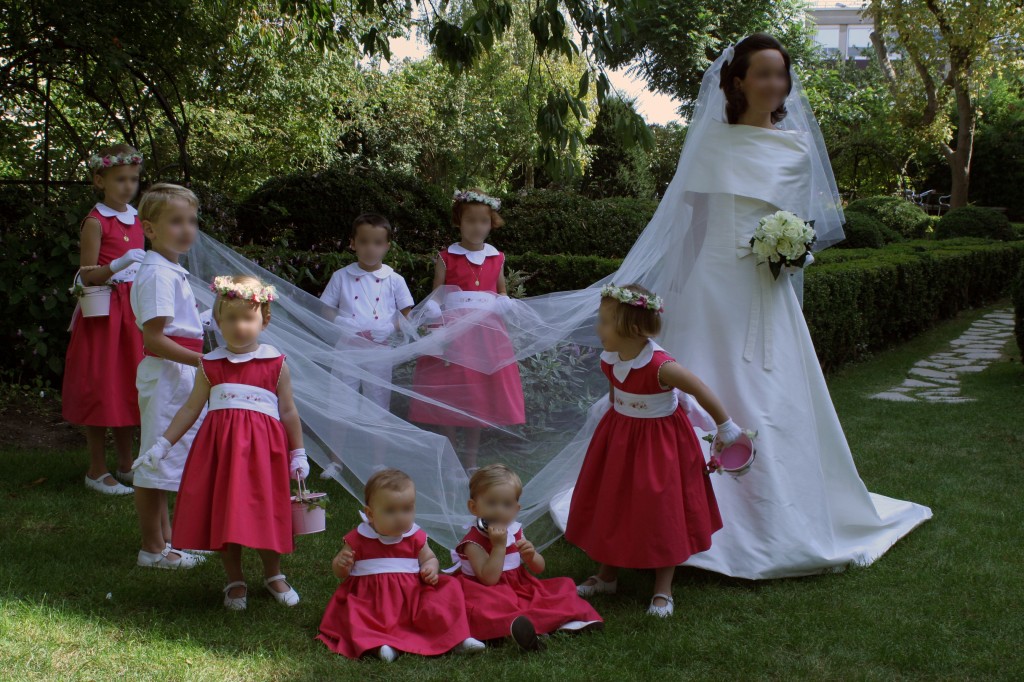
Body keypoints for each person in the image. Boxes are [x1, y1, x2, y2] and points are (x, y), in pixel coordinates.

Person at [566, 284, 740, 616]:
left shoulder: (662, 366)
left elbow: (700, 388)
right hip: (619, 437)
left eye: (604, 322)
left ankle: (663, 588)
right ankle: (607, 574)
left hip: (661, 444)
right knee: (613, 501)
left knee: (662, 509)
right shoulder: (611, 358)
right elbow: (618, 391)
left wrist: (725, 425)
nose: (598, 328)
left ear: (630, 329)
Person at [138, 275, 306, 609]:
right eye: (231, 318)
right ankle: (234, 579)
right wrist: (162, 445)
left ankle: (273, 573)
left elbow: (288, 411)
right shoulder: (210, 365)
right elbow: (190, 409)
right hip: (221, 452)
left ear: (264, 320)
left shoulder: (275, 364)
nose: (239, 326)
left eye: (248, 318)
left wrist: (298, 452)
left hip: (264, 454)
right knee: (227, 513)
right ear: (217, 321)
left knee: (264, 512)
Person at [408, 189, 525, 472]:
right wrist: (434, 311)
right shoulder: (447, 256)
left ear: (491, 223)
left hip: (486, 332)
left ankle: (470, 460)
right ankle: (449, 453)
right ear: (459, 222)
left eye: (483, 221)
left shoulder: (496, 257)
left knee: (477, 394)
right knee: (449, 393)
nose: (477, 227)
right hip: (453, 331)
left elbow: (500, 291)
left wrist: (504, 303)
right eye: (470, 221)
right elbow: (438, 293)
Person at [317, 468, 485, 662]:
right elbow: (340, 572)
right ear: (370, 514)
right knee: (356, 614)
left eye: (407, 509)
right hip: (371, 600)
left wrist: (430, 566)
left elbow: (429, 557)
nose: (400, 517)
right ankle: (379, 645)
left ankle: (457, 638)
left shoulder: (413, 536)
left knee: (449, 590)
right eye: (390, 511)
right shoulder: (360, 538)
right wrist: (341, 564)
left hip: (412, 597)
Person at [128, 183, 206, 569]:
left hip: (181, 372)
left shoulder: (171, 268)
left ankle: (169, 539)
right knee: (154, 461)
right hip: (168, 374)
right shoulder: (157, 274)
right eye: (176, 222)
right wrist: (202, 362)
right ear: (150, 228)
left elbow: (184, 325)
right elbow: (155, 338)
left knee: (168, 459)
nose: (186, 229)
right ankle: (152, 548)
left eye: (191, 221)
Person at [62, 144, 146, 494]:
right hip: (104, 315)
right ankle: (97, 468)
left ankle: (126, 465)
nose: (128, 186)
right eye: (120, 179)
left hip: (133, 314)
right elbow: (86, 276)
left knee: (128, 385)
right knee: (102, 386)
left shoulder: (138, 218)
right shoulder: (96, 222)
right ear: (100, 180)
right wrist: (119, 264)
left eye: (134, 180)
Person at [453, 464, 602, 647]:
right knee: (493, 608)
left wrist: (531, 556)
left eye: (507, 505)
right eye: (491, 503)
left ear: (516, 509)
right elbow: (489, 579)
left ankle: (564, 623)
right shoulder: (472, 541)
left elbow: (539, 568)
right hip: (486, 590)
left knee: (550, 596)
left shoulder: (515, 530)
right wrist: (498, 547)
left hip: (518, 585)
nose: (500, 510)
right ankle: (527, 630)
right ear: (474, 507)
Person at [320, 213, 414, 410]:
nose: (371, 248)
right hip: (347, 348)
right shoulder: (341, 276)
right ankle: (338, 441)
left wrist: (390, 328)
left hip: (379, 349)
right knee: (341, 400)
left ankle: (377, 441)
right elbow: (325, 308)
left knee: (378, 402)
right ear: (353, 243)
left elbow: (407, 313)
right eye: (364, 242)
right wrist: (340, 322)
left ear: (387, 245)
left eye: (378, 242)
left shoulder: (394, 279)